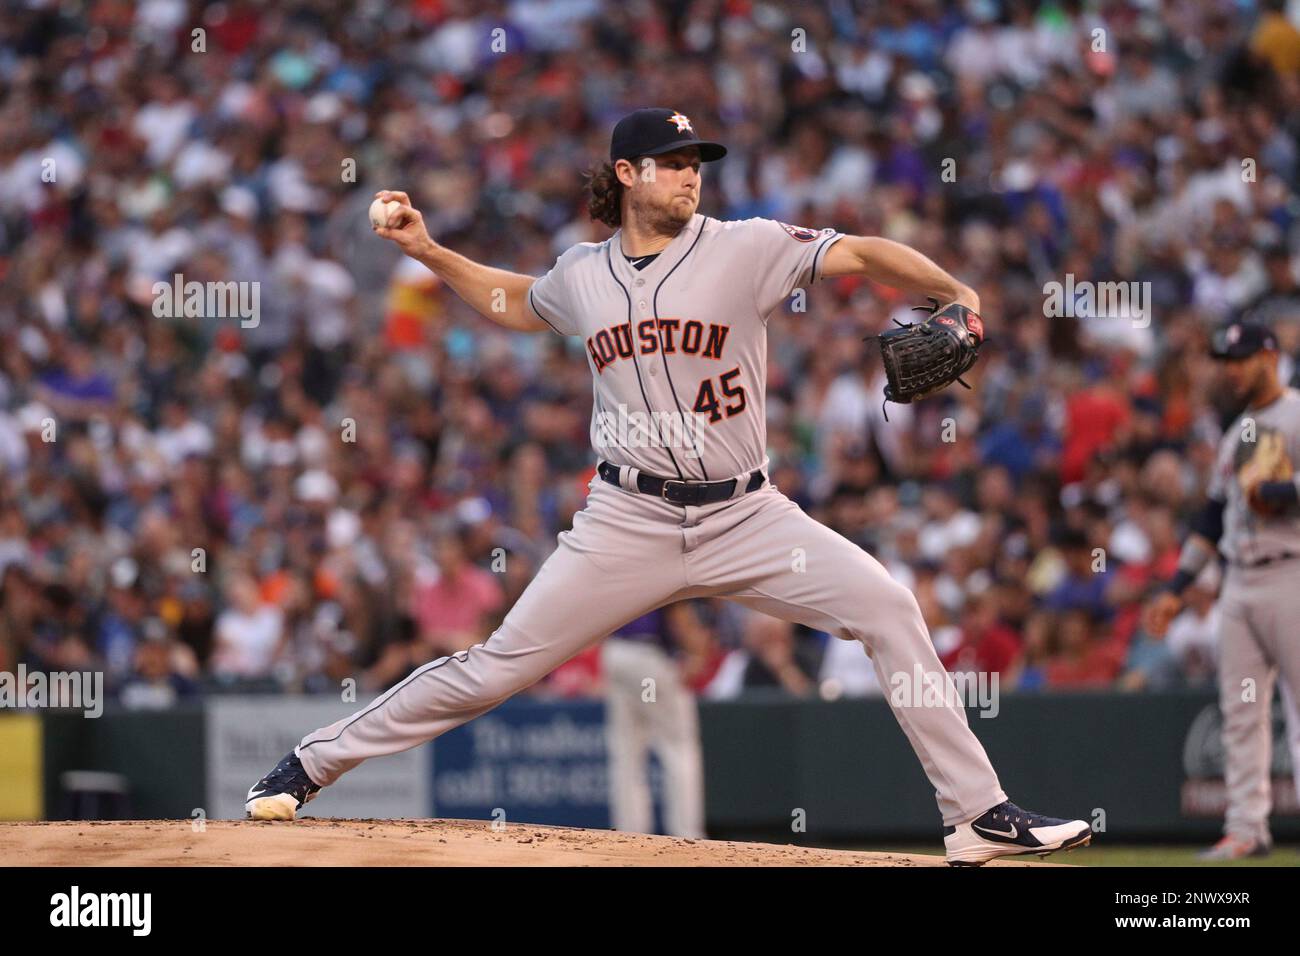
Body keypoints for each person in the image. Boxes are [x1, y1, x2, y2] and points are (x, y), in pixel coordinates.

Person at [245, 108, 1091, 866]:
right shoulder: (582, 274)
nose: (692, 173)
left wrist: (954, 290)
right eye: (674, 160)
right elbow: (511, 301)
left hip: (748, 514)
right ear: (626, 174)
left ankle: (977, 815)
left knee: (888, 608)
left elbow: (861, 252)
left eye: (698, 160)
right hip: (627, 517)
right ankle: (309, 764)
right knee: (496, 667)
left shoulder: (746, 246)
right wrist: (427, 252)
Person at [1145, 321, 1300, 860]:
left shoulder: (1297, 412)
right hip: (1240, 578)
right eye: (1226, 360)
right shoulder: (1239, 433)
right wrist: (1177, 587)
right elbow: (1211, 520)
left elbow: (1276, 492)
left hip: (1292, 572)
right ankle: (1246, 829)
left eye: (1241, 359)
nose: (1231, 369)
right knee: (1240, 709)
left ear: (1271, 356)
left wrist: (1280, 490)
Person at [601, 604, 705, 839]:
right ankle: (687, 835)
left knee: (627, 752)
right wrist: (696, 653)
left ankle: (630, 836)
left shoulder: (618, 566)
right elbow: (677, 608)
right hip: (647, 655)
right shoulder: (656, 564)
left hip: (615, 651)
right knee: (679, 747)